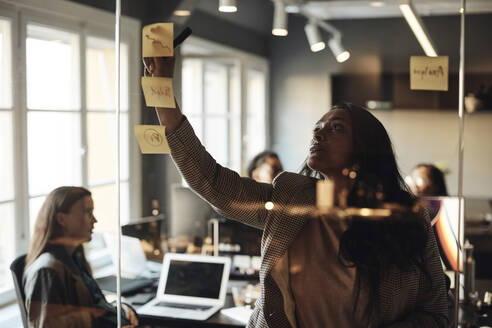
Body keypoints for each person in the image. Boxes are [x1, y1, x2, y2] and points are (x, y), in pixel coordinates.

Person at [143, 56, 448, 327]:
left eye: (336, 128)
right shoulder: (290, 197)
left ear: (363, 149)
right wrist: (162, 94)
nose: (318, 132)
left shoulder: (404, 217)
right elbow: (212, 183)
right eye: (318, 126)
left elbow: (436, 311)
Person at [23, 186, 139, 328]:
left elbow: (91, 304)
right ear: (62, 219)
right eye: (88, 212)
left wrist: (119, 307)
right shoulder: (47, 270)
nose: (94, 220)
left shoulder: (74, 257)